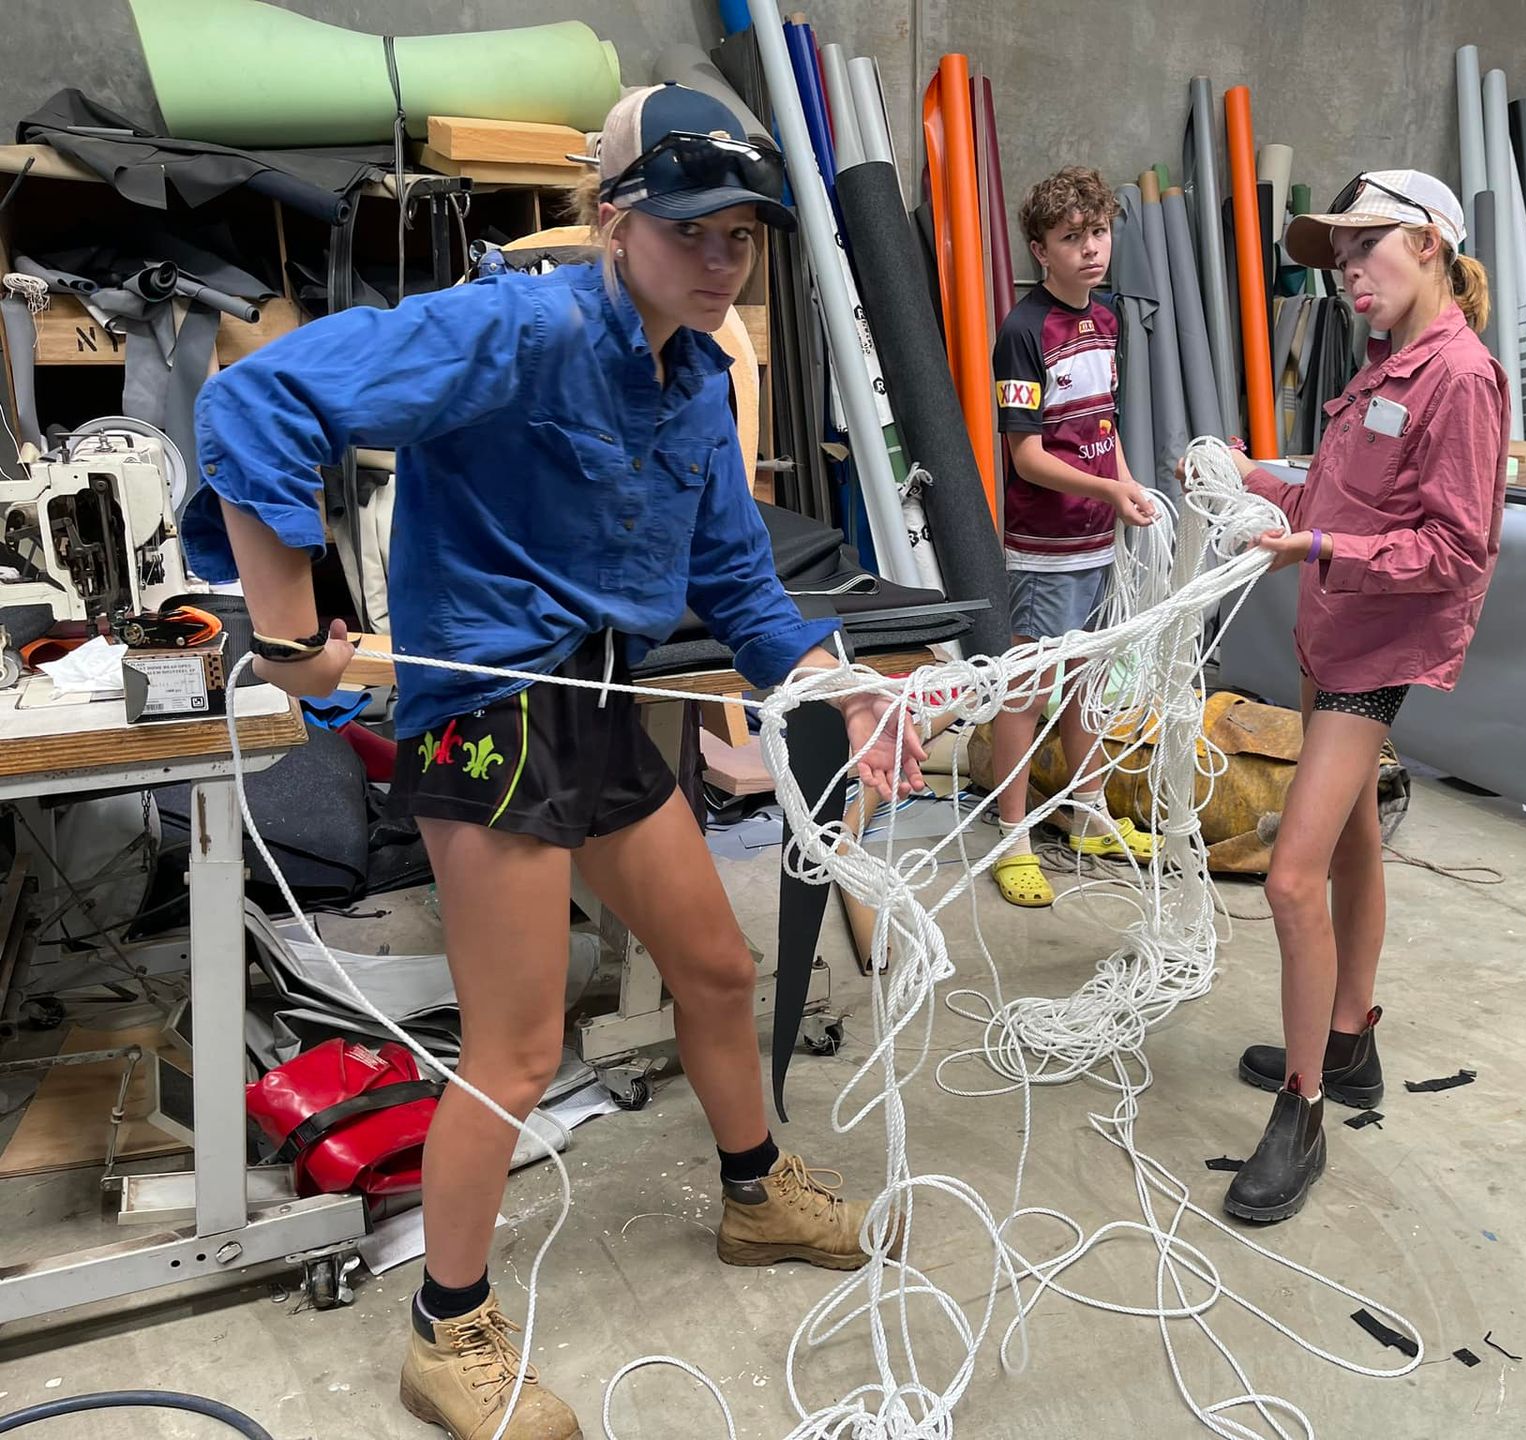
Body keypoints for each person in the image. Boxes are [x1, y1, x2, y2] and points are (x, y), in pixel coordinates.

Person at [182, 84, 923, 1440]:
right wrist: (287, 627)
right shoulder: (516, 327)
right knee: (518, 1052)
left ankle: (756, 1196)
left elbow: (741, 590)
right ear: (616, 219)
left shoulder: (696, 384)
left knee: (715, 969)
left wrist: (839, 686)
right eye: (692, 231)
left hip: (595, 710)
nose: (719, 261)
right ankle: (444, 1332)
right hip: (485, 721)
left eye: (741, 238)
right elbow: (258, 402)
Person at [1213, 171, 1507, 1223]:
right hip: (1330, 628)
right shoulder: (1383, 368)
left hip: (1377, 649)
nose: (1346, 274)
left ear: (1429, 243)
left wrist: (1322, 545)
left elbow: (1456, 548)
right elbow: (1334, 499)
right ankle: (1350, 1046)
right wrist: (1251, 479)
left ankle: (1302, 1115)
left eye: (1364, 247)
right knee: (1348, 847)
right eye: (1335, 257)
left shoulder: (1459, 380)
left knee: (1290, 882)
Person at [987, 166, 1162, 909]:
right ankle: (1011, 835)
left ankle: (1087, 810)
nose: (1091, 249)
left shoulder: (1107, 319)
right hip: (1043, 549)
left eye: (1098, 232)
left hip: (1098, 543)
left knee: (1090, 686)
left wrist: (1125, 488)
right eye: (1071, 238)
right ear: (1039, 250)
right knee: (1026, 690)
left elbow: (1103, 426)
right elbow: (1027, 456)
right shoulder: (1024, 334)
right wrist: (1106, 489)